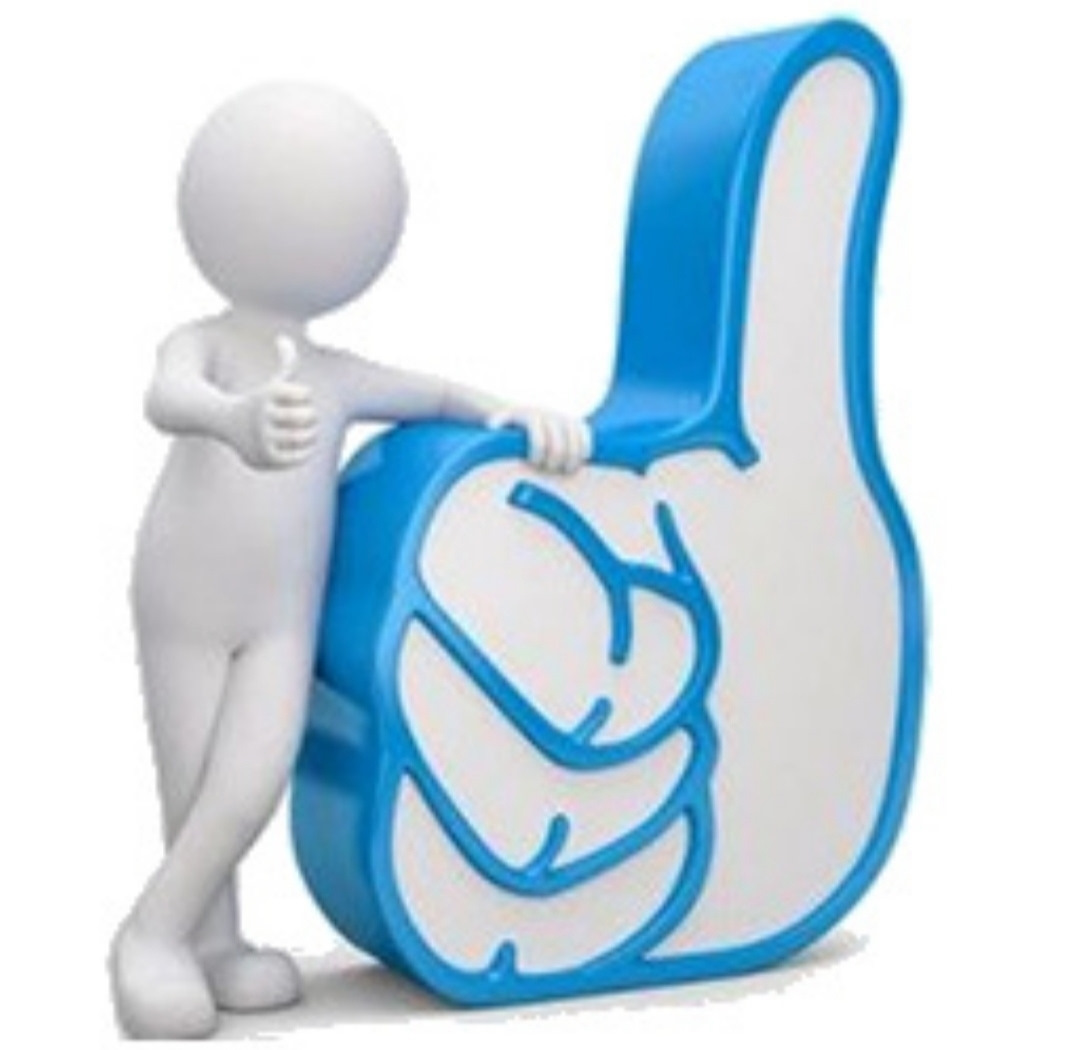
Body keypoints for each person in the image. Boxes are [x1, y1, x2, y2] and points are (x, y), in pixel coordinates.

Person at [110, 81, 591, 1039]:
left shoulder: (336, 376)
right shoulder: (204, 345)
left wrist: (514, 415)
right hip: (183, 598)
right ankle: (182, 943)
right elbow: (168, 397)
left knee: (250, 779)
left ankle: (163, 936)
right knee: (193, 783)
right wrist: (236, 419)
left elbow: (439, 396)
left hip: (279, 617)